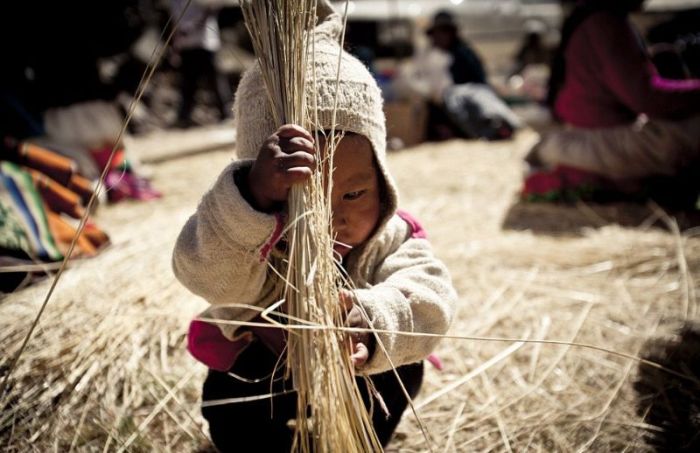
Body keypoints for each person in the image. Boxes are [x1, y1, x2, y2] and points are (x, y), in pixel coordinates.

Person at [172, 6, 456, 452]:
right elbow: (205, 274)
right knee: (234, 402)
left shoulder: (391, 239)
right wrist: (250, 200)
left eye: (355, 195)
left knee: (401, 372)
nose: (332, 220)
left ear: (382, 182)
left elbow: (432, 300)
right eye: (302, 199)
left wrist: (376, 319)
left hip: (355, 369)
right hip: (265, 367)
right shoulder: (247, 229)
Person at [524, 0, 700, 207]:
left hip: (588, 138)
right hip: (599, 140)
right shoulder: (603, 23)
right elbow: (648, 99)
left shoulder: (594, 19)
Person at [169, 0, 231, 128]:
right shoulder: (173, 2)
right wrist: (175, 46)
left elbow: (212, 7)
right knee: (188, 83)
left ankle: (226, 113)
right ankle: (184, 117)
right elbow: (175, 22)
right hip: (186, 45)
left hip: (206, 42)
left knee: (215, 80)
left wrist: (192, 27)